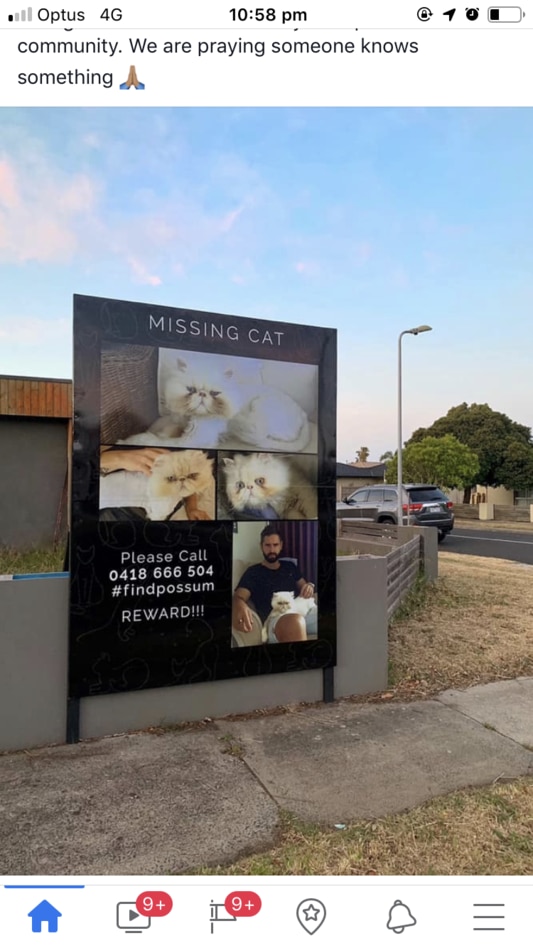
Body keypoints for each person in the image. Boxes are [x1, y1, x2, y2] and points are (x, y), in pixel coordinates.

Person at [232, 524, 316, 645]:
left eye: (275, 545)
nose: (272, 550)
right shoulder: (253, 572)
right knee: (295, 621)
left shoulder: (290, 567)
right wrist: (240, 605)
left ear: (281, 545)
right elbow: (238, 597)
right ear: (261, 546)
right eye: (267, 545)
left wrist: (310, 586)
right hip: (276, 620)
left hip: (303, 612)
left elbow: (305, 587)